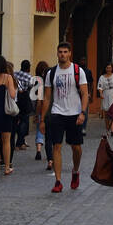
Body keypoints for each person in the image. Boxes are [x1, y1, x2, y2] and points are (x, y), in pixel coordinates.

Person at [40, 41, 89, 192]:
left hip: (74, 114)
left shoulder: (77, 71)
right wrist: (42, 119)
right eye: (60, 52)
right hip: (57, 113)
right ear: (57, 53)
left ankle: (75, 171)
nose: (62, 54)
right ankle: (58, 181)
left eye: (65, 52)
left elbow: (85, 93)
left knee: (76, 148)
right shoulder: (51, 73)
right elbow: (47, 98)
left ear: (69, 54)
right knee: (57, 146)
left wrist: (83, 112)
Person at [34, 60, 54, 167]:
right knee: (55, 138)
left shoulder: (41, 87)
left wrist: (37, 115)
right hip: (56, 114)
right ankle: (53, 157)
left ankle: (48, 158)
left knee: (46, 137)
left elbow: (39, 102)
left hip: (44, 114)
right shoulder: (56, 87)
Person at [14, 59, 34, 150]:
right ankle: (20, 142)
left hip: (16, 99)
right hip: (25, 99)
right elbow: (31, 87)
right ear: (28, 68)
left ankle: (20, 142)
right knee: (24, 121)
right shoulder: (30, 77)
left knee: (17, 120)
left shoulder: (15, 74)